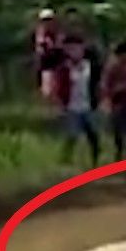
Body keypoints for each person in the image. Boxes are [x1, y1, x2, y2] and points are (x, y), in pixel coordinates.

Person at [50, 34, 100, 166]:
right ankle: (66, 159)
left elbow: (98, 84)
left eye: (77, 49)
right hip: (72, 106)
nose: (74, 52)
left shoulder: (91, 66)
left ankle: (95, 161)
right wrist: (60, 104)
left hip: (89, 105)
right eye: (71, 49)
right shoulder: (64, 69)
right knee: (72, 135)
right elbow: (58, 88)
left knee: (93, 135)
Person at [33, 9, 61, 95]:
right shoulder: (40, 32)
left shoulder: (57, 32)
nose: (47, 22)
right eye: (45, 20)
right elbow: (40, 48)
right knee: (47, 88)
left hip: (56, 61)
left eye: (49, 20)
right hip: (45, 62)